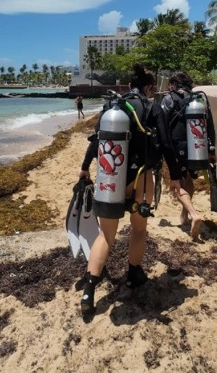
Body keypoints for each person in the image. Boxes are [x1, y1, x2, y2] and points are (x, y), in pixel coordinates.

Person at [78, 63, 181, 317]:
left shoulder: (112, 108)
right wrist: (175, 177)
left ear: (128, 87)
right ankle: (134, 273)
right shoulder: (151, 106)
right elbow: (167, 143)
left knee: (105, 235)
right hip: (140, 179)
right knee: (138, 229)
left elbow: (97, 142)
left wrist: (84, 167)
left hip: (111, 178)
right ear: (148, 87)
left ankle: (89, 291)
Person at [161, 72, 217, 239]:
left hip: (177, 146)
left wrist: (161, 149)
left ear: (173, 84)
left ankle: (193, 214)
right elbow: (210, 125)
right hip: (196, 146)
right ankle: (184, 216)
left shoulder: (169, 99)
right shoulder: (199, 99)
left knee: (177, 182)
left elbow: (162, 124)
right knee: (188, 180)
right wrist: (211, 150)